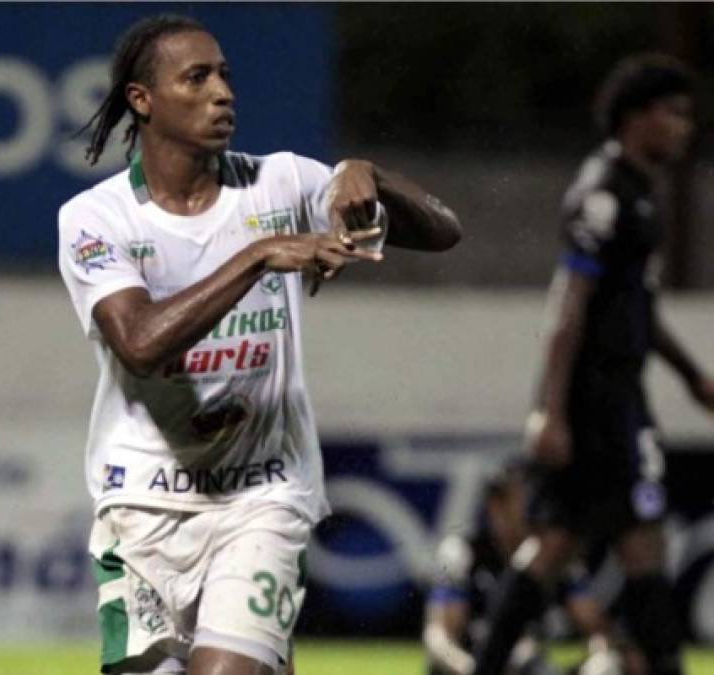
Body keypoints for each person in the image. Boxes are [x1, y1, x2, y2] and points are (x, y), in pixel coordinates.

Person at [57, 14, 461, 675]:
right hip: (141, 505)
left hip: (264, 494)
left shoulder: (282, 183)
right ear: (143, 99)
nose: (223, 91)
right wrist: (262, 254)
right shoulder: (97, 219)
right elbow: (138, 342)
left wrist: (366, 173)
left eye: (225, 75)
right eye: (197, 77)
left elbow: (444, 232)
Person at [471, 54, 714, 675]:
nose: (687, 126)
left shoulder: (640, 195)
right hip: (591, 403)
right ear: (637, 117)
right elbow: (568, 304)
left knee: (637, 541)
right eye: (675, 113)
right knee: (559, 543)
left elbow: (637, 308)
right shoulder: (602, 195)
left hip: (624, 399)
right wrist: (551, 410)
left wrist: (690, 375)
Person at [425, 462, 621, 675]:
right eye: (499, 502)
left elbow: (596, 628)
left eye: (514, 499)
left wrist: (600, 657)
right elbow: (439, 638)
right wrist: (471, 668)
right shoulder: (464, 555)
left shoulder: (553, 560)